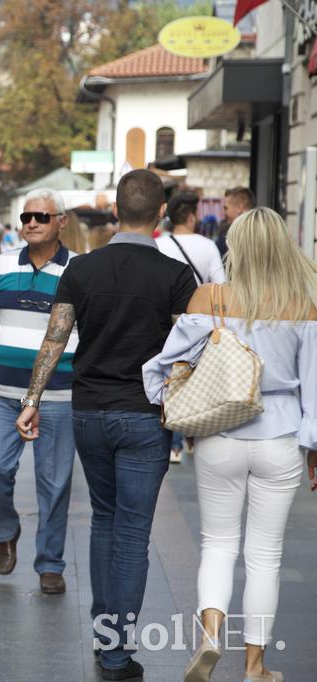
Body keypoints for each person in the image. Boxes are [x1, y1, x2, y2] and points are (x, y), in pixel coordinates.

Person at [16, 170, 196, 680]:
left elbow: (55, 339)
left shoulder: (81, 270)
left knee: (103, 518)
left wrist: (31, 399)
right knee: (133, 534)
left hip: (88, 411)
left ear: (115, 211)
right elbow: (192, 349)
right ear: (161, 214)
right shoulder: (176, 277)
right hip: (144, 415)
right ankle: (117, 653)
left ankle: (104, 634)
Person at [143, 208, 317, 682]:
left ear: (234, 246)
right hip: (279, 434)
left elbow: (166, 362)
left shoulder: (209, 297)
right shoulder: (304, 301)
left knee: (217, 544)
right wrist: (315, 447)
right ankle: (256, 667)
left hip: (219, 429)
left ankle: (210, 637)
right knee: (266, 555)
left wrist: (168, 404)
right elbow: (314, 386)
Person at [0, 189, 79, 596]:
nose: (31, 222)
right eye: (26, 216)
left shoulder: (78, 271)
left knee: (55, 483)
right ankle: (5, 530)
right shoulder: (2, 263)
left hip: (59, 393)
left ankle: (50, 562)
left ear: (61, 222)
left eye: (41, 217)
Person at [155, 192, 226, 465]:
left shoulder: (159, 244)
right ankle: (191, 433)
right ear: (192, 216)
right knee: (194, 379)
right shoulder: (207, 246)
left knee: (169, 380)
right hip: (199, 326)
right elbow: (220, 288)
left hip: (166, 324)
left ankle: (172, 437)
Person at [216, 186, 255, 258]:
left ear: (239, 208)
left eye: (226, 208)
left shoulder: (227, 239)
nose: (224, 212)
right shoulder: (263, 235)